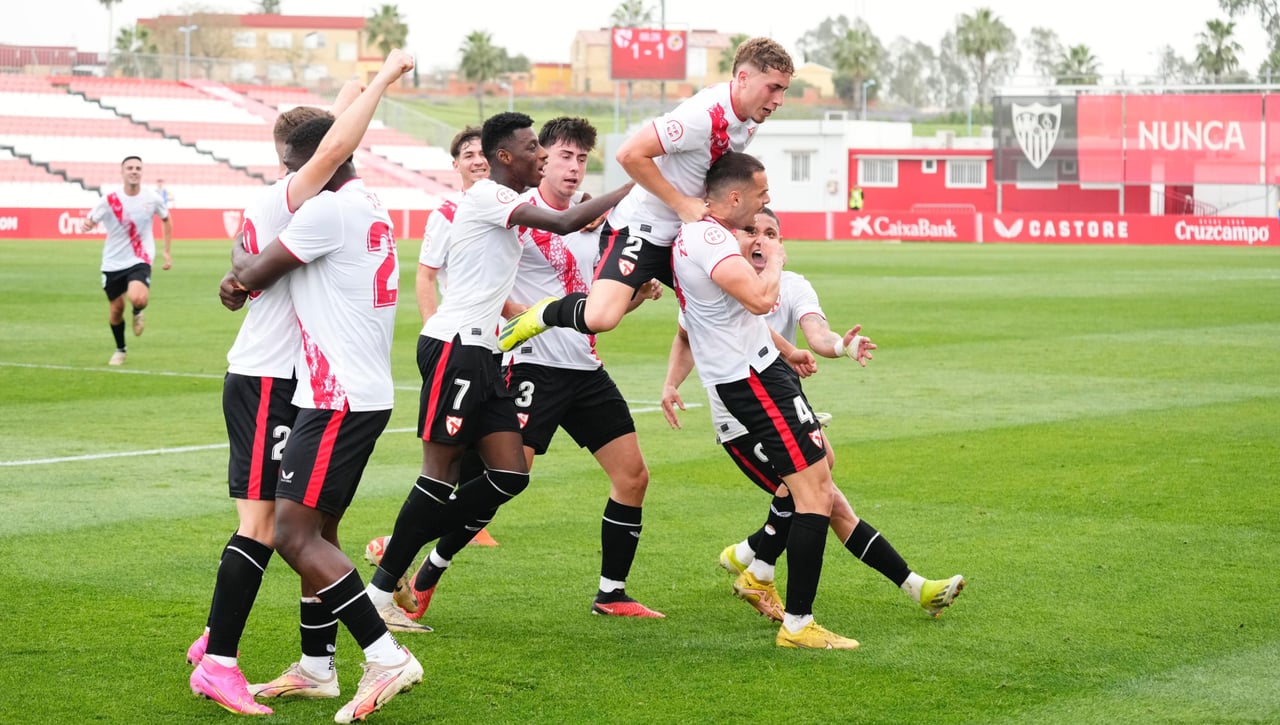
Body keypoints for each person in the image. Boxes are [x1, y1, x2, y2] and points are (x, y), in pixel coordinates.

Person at [187, 51, 415, 718]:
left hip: (308, 382)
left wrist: (237, 274)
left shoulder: (308, 196)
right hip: (272, 377)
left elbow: (329, 129)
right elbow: (337, 138)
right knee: (268, 529)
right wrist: (385, 75)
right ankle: (220, 653)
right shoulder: (302, 199)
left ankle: (307, 661)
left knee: (303, 529)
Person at [361, 112, 632, 626]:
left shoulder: (509, 202)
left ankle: (397, 547)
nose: (545, 156)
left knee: (509, 475)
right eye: (535, 149)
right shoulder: (488, 195)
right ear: (504, 157)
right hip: (454, 346)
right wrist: (633, 182)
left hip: (485, 353)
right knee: (438, 477)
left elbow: (567, 222)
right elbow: (562, 221)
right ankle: (379, 595)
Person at [660, 206, 965, 626]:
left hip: (780, 407)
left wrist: (840, 346)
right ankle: (783, 583)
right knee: (824, 499)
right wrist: (671, 383)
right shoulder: (717, 278)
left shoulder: (793, 285)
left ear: (782, 244)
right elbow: (685, 335)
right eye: (751, 231)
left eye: (770, 233)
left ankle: (754, 556)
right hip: (740, 419)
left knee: (824, 495)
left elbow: (817, 332)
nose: (760, 240)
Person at [668, 149, 858, 649]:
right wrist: (774, 258)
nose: (767, 202)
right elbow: (760, 300)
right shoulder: (707, 237)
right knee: (813, 493)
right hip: (750, 380)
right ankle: (797, 623)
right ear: (735, 197)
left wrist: (792, 349)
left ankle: (759, 568)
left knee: (816, 479)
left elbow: (740, 316)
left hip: (764, 369)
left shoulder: (708, 236)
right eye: (761, 194)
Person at [495, 37, 794, 352]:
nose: (779, 99)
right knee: (601, 317)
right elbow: (629, 155)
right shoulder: (702, 115)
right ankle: (541, 314)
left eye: (784, 90)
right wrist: (681, 204)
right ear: (743, 79)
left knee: (734, 301)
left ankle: (784, 356)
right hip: (641, 228)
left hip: (687, 233)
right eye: (773, 87)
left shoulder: (748, 120)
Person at [411, 124, 500, 549]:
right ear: (456, 166)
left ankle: (463, 518)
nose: (478, 159)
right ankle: (417, 537)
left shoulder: (505, 207)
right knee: (449, 447)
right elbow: (426, 275)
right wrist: (432, 329)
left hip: (493, 340)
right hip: (456, 337)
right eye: (468, 154)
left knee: (488, 447)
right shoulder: (447, 212)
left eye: (483, 152)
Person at [81, 155, 172, 366]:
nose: (134, 171)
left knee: (138, 298)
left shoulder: (152, 198)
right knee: (116, 310)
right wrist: (87, 224)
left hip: (140, 257)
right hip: (113, 262)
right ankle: (120, 349)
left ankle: (138, 311)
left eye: (138, 168)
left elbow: (167, 219)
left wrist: (167, 251)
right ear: (122, 172)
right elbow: (91, 219)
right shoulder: (110, 200)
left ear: (142, 172)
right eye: (130, 168)